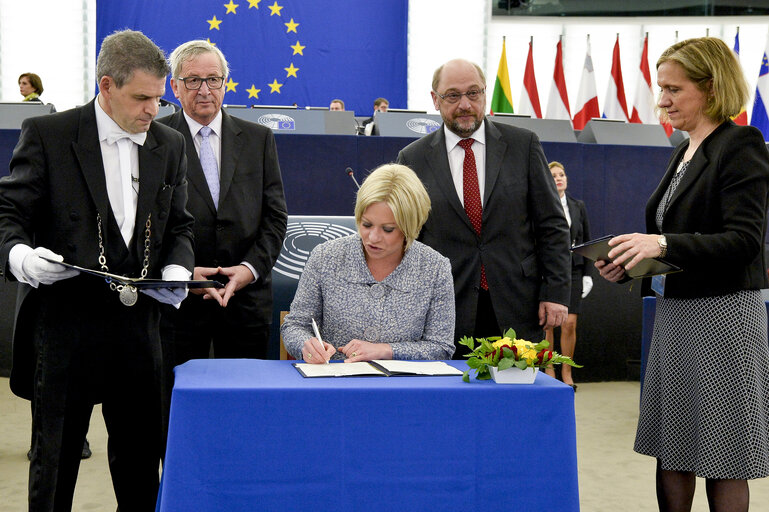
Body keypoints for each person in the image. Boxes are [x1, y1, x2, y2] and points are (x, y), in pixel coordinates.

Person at [0, 29, 195, 511]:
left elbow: (182, 229)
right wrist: (23, 259)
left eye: (159, 97)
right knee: (56, 462)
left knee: (140, 464)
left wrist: (176, 270)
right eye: (142, 98)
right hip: (65, 330)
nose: (154, 110)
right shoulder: (50, 135)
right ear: (106, 86)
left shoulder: (168, 144)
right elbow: (9, 217)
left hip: (140, 333)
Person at [596, 37, 769, 512]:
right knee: (672, 449)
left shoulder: (742, 145)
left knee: (722, 455)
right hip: (675, 316)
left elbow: (744, 242)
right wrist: (631, 266)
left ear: (711, 88)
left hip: (725, 319)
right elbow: (678, 245)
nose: (663, 100)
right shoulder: (684, 150)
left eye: (674, 89)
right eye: (660, 88)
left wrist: (662, 243)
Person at [396, 58, 570, 358]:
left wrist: (555, 293)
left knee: (515, 402)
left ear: (485, 94)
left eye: (473, 93)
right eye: (453, 95)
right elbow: (405, 241)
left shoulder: (523, 145)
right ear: (435, 100)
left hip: (518, 304)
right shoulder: (413, 159)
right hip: (444, 310)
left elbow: (552, 225)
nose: (465, 104)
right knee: (451, 401)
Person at [158, 41, 287, 388]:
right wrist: (184, 274)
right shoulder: (155, 140)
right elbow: (148, 224)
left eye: (213, 79)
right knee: (174, 406)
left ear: (226, 84)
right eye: (193, 80)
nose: (204, 90)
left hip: (246, 301)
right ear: (174, 87)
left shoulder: (259, 139)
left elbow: (275, 218)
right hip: (179, 303)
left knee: (246, 405)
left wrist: (248, 271)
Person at [281, 163, 455, 362]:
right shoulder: (325, 257)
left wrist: (387, 350)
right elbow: (294, 326)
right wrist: (306, 345)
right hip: (334, 385)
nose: (373, 237)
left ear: (410, 226)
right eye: (366, 224)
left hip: (402, 388)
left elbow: (441, 347)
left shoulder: (435, 268)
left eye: (388, 229)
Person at [543, 161, 592, 389]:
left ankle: (567, 370)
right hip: (549, 269)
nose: (559, 178)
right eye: (553, 176)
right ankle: (549, 368)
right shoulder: (541, 203)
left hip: (573, 269)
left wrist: (587, 274)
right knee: (549, 324)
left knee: (570, 323)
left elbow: (587, 241)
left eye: (561, 174)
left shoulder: (577, 205)